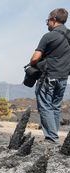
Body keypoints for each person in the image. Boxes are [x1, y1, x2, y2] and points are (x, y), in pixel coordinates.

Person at [30, 8, 70, 144]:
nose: (47, 23)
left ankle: (52, 138)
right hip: (64, 77)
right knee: (55, 106)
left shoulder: (49, 36)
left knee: (45, 106)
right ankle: (53, 136)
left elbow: (35, 58)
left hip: (49, 76)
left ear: (53, 20)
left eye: (48, 20)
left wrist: (33, 63)